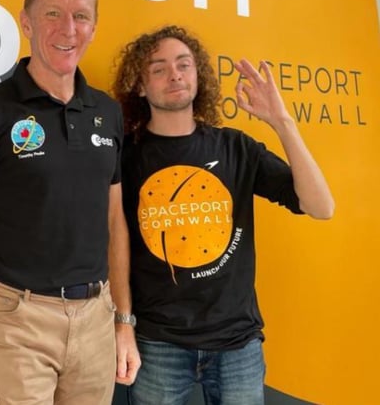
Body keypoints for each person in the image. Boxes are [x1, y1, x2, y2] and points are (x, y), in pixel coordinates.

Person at [0, 0, 141, 405]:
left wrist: (123, 321)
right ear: (26, 22)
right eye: (53, 13)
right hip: (15, 321)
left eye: (81, 16)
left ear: (93, 26)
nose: (68, 28)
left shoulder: (106, 113)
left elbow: (114, 221)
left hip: (95, 321)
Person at [110, 25, 334, 405]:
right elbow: (116, 246)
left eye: (184, 64)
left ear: (199, 76)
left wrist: (282, 121)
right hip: (158, 342)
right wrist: (124, 324)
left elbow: (321, 207)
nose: (175, 74)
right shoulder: (125, 157)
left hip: (237, 344)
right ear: (141, 85)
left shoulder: (235, 148)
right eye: (159, 68)